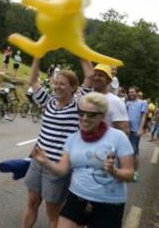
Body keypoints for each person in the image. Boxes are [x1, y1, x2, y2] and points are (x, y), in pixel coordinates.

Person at [32, 92, 134, 228]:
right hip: (77, 197)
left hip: (109, 202)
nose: (85, 118)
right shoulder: (72, 138)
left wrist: (113, 171)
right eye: (81, 113)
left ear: (102, 116)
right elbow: (62, 170)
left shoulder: (118, 137)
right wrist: (46, 161)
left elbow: (130, 174)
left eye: (91, 114)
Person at [22, 58, 93, 228]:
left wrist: (81, 53)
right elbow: (32, 80)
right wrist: (38, 55)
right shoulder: (49, 101)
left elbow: (89, 76)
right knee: (32, 202)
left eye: (62, 84)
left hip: (57, 166)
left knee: (52, 212)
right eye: (56, 83)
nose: (57, 87)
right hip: (37, 161)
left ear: (72, 87)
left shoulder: (78, 105)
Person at [92, 64, 130, 135]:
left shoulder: (116, 101)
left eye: (100, 75)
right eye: (95, 75)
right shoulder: (87, 98)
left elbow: (124, 132)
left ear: (109, 80)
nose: (96, 78)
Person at [126, 86, 148, 178]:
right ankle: (127, 169)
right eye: (129, 92)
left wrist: (140, 128)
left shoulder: (143, 102)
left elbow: (143, 116)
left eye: (132, 92)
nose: (130, 94)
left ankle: (135, 172)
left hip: (136, 130)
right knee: (127, 150)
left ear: (137, 93)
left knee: (134, 152)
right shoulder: (127, 103)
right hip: (126, 130)